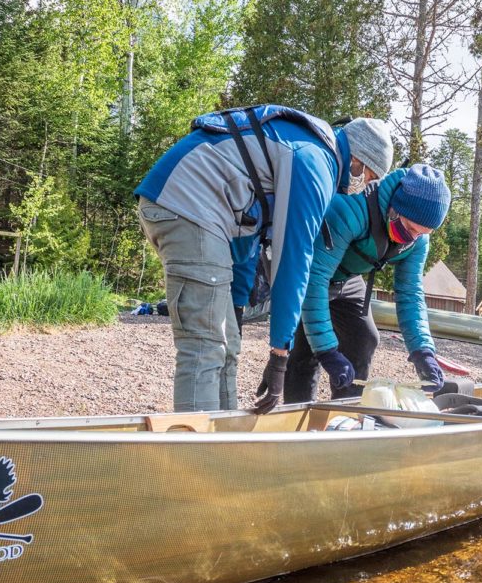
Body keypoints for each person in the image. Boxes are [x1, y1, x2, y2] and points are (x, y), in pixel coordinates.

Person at [134, 105, 393, 413]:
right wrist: (280, 354)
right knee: (205, 344)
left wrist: (237, 305)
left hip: (202, 211)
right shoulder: (315, 161)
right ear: (357, 161)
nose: (362, 187)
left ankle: (227, 435)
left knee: (228, 342)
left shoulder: (311, 151)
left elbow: (247, 234)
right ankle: (196, 442)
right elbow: (293, 259)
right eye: (368, 177)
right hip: (187, 204)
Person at [285, 163, 452, 403]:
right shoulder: (350, 210)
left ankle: (346, 413)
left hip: (349, 279)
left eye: (422, 233)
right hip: (313, 274)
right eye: (409, 228)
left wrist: (423, 351)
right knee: (306, 349)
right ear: (395, 208)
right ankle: (296, 415)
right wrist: (327, 351)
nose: (412, 238)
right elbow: (315, 278)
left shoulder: (417, 241)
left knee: (364, 338)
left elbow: (410, 293)